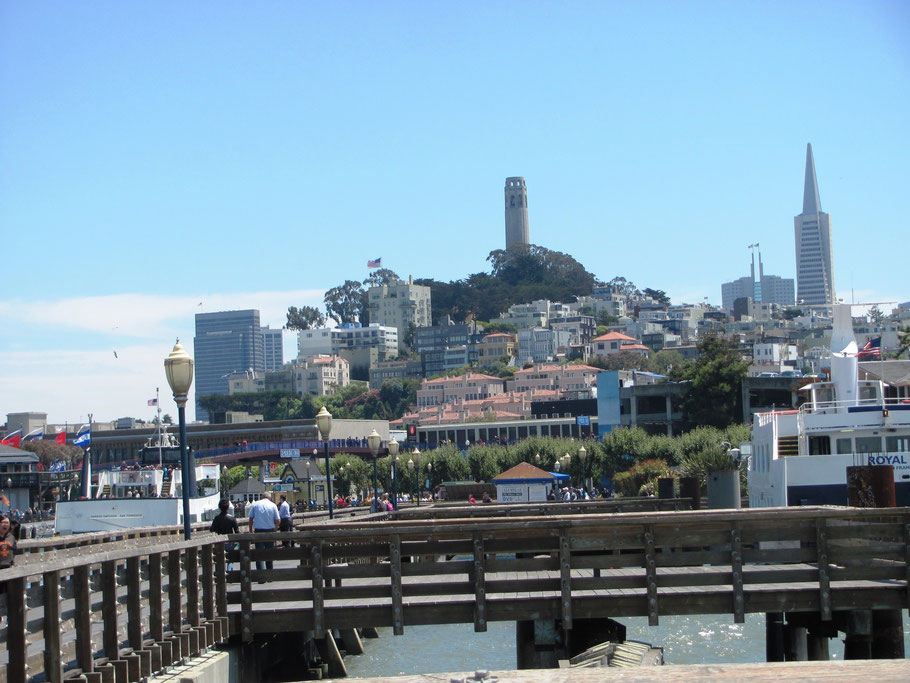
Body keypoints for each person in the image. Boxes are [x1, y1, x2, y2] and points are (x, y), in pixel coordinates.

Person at [247, 492, 280, 579]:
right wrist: (275, 529)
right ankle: (269, 575)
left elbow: (250, 519)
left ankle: (261, 576)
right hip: (269, 531)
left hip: (258, 531)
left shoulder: (255, 504)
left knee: (259, 554)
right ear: (270, 498)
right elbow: (278, 520)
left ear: (262, 497)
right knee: (269, 553)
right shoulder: (273, 505)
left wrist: (250, 530)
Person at [209, 499, 239, 571]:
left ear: (219, 507)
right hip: (230, 541)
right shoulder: (232, 518)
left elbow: (212, 529)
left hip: (220, 541)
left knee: (220, 559)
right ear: (228, 507)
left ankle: (221, 574)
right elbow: (237, 531)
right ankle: (229, 572)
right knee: (230, 559)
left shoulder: (217, 518)